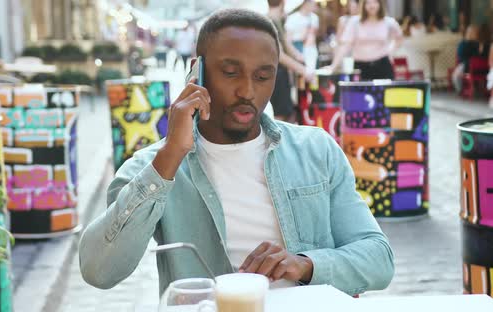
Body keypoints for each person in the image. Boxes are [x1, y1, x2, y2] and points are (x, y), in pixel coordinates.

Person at [79, 8, 394, 296]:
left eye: (262, 76)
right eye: (230, 73)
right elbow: (99, 271)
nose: (247, 91)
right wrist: (171, 155)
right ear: (196, 72)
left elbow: (378, 259)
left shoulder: (316, 149)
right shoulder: (153, 167)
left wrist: (305, 264)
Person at [326, 0, 403, 80]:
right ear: (363, 5)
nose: (371, 5)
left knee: (385, 92)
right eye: (368, 3)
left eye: (375, 2)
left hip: (383, 65)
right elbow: (345, 45)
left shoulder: (389, 22)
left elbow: (399, 38)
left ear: (380, 4)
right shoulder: (354, 22)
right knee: (359, 92)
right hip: (360, 67)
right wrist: (334, 66)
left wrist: (390, 50)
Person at [268, 0, 311, 122]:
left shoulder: (276, 20)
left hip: (280, 75)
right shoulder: (270, 21)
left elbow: (286, 44)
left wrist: (298, 56)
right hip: (277, 75)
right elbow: (279, 54)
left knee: (289, 114)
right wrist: (302, 69)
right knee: (280, 117)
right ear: (283, 2)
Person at [452, 25, 491, 93]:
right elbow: (460, 56)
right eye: (470, 32)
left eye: (474, 32)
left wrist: (480, 49)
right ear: (467, 32)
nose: (472, 34)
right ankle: (460, 90)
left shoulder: (479, 43)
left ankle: (481, 88)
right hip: (464, 64)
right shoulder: (463, 43)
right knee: (456, 76)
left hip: (477, 66)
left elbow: (481, 56)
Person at [285, 0, 319, 70]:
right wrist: (296, 54)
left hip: (310, 50)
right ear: (305, 3)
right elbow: (288, 40)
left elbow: (312, 37)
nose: (315, 7)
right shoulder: (292, 18)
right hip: (296, 48)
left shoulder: (314, 18)